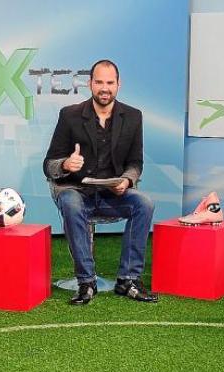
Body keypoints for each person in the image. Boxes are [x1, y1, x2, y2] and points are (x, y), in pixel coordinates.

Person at [44, 59, 157, 305]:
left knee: (144, 203)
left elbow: (135, 163)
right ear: (90, 84)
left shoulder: (133, 117)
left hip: (112, 194)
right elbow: (49, 164)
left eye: (110, 83)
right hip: (76, 190)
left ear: (118, 84)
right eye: (99, 82)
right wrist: (66, 164)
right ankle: (86, 282)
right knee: (71, 202)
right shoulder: (70, 115)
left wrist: (126, 181)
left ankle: (128, 280)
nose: (104, 88)